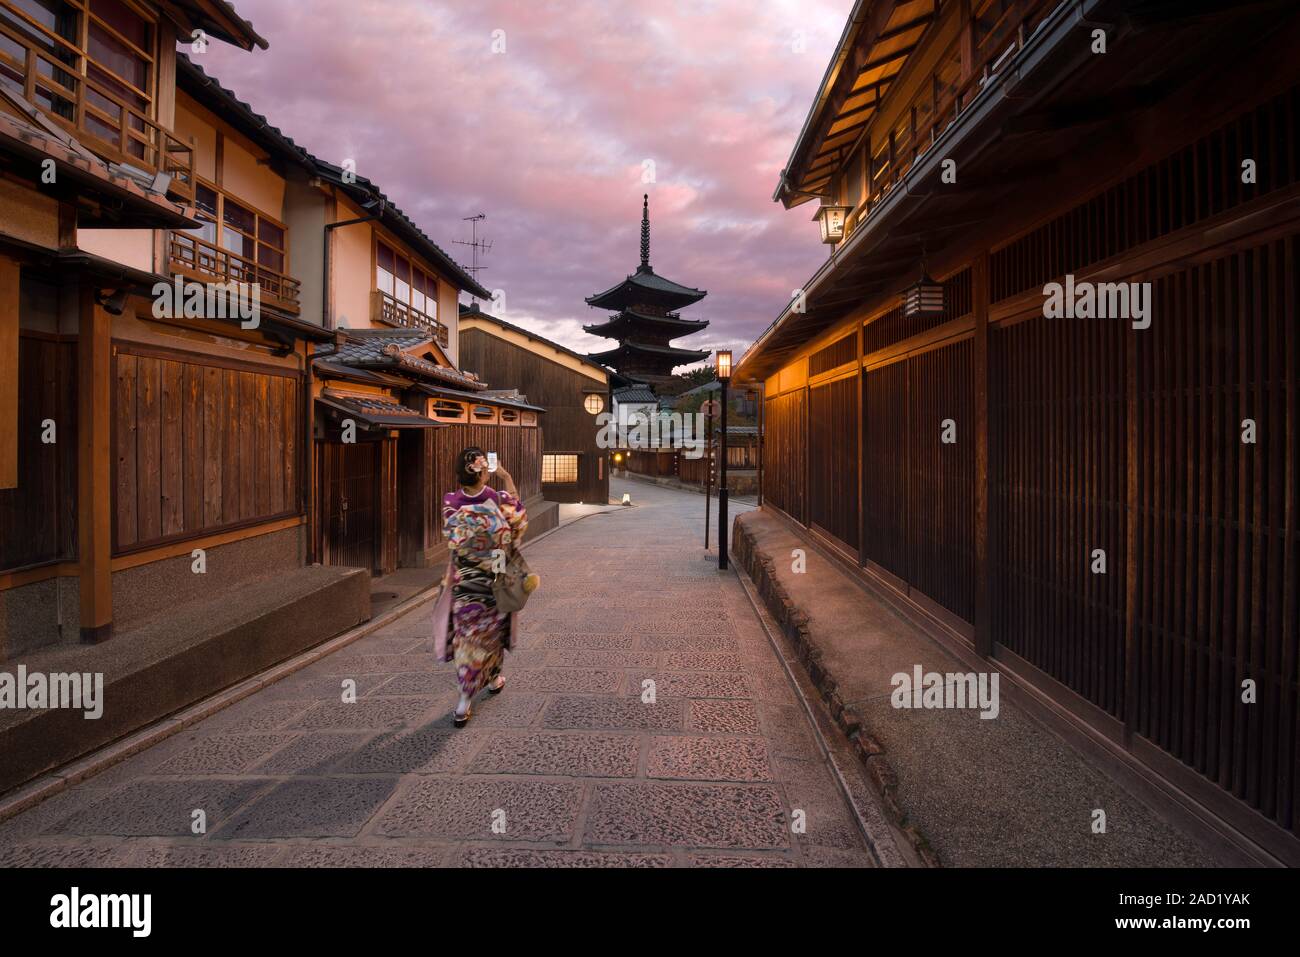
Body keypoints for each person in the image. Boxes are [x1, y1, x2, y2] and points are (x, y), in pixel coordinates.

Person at [440, 447, 527, 727]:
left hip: (465, 581)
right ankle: (476, 691)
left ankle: (480, 688)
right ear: (485, 470)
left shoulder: (451, 502)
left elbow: (453, 536)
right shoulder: (498, 498)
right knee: (493, 632)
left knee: (467, 636)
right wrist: (506, 476)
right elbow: (518, 519)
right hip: (495, 577)